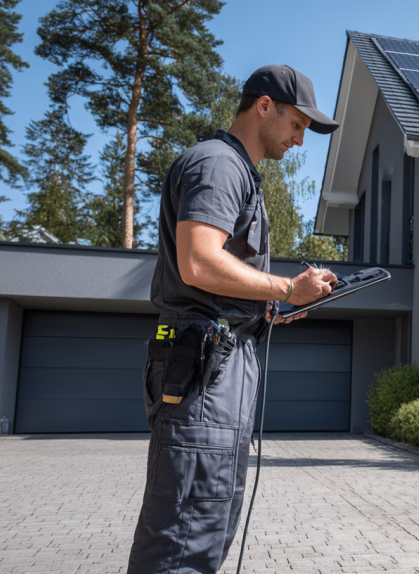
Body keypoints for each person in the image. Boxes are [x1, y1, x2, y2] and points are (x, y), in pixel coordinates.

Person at [127, 65, 339, 574]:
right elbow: (198, 262)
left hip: (222, 358)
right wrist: (287, 287)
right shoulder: (220, 164)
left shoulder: (239, 172)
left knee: (209, 524)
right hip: (206, 369)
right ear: (264, 106)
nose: (299, 139)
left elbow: (216, 279)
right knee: (184, 535)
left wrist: (266, 307)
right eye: (297, 124)